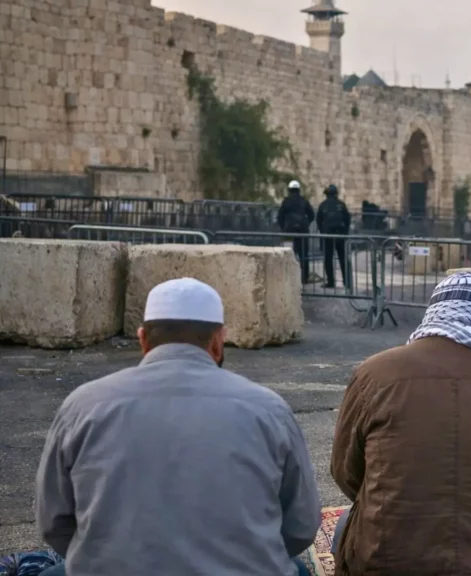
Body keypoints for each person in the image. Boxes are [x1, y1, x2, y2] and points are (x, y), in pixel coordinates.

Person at [35, 278, 320, 576]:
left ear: (143, 339)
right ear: (217, 340)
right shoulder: (268, 409)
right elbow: (300, 526)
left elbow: (54, 522)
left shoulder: (83, 405)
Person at [330, 272, 471, 576]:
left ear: (435, 312)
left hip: (388, 563)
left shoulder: (374, 373)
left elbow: (347, 473)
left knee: (342, 528)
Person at [278, 180, 315, 284]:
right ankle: (304, 278)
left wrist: (284, 228)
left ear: (289, 190)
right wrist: (306, 224)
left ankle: (288, 276)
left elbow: (280, 217)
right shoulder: (304, 201)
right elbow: (312, 215)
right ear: (299, 190)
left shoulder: (286, 201)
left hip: (289, 232)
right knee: (304, 256)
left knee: (288, 254)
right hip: (302, 232)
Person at [316, 184, 352, 290]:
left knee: (328, 258)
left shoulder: (323, 205)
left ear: (327, 194)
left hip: (328, 235)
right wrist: (345, 232)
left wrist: (323, 232)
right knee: (343, 258)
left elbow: (319, 221)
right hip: (340, 234)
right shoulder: (341, 204)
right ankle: (347, 282)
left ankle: (331, 282)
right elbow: (347, 219)